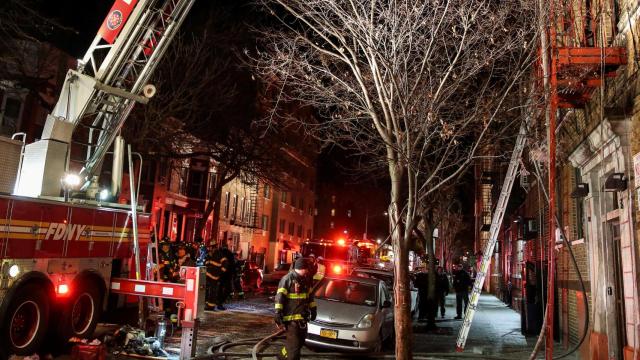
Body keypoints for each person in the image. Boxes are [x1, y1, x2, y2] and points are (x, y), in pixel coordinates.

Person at [274, 257, 316, 360]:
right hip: (291, 320)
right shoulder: (287, 279)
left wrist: (313, 309)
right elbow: (280, 297)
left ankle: (281, 357)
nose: (308, 270)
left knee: (299, 343)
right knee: (294, 350)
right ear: (302, 268)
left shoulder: (305, 280)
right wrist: (278, 312)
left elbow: (310, 297)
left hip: (302, 319)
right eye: (306, 268)